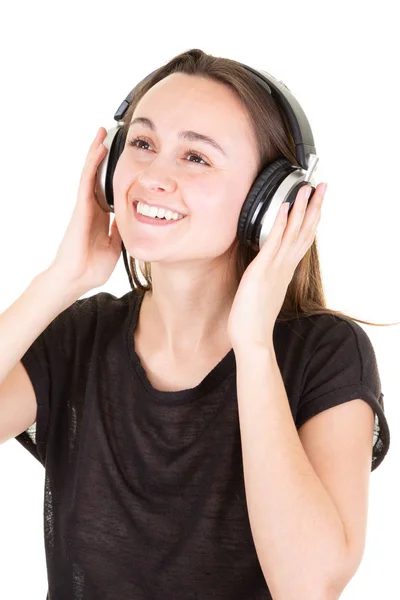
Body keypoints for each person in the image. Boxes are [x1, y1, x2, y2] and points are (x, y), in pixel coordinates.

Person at [0, 48, 391, 600]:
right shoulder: (79, 336)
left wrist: (252, 344)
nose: (153, 176)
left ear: (271, 201)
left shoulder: (325, 354)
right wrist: (62, 278)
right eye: (142, 144)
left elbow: (307, 586)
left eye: (196, 158)